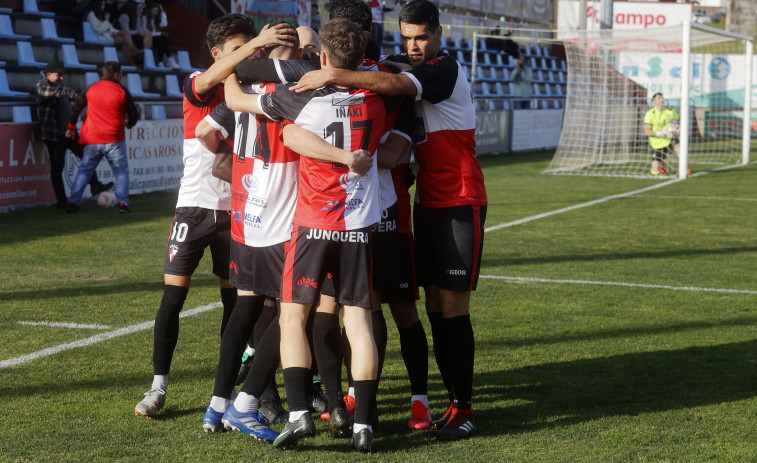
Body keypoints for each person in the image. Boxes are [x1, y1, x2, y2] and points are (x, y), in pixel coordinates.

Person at [290, 0, 488, 441]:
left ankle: (465, 407)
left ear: (438, 33)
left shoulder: (443, 69)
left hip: (460, 199)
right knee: (434, 305)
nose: (414, 46)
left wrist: (333, 73)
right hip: (428, 205)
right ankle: (446, 402)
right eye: (407, 37)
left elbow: (392, 81)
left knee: (452, 307)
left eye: (421, 37)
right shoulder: (408, 68)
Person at [224, 17, 403, 452]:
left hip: (312, 225)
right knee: (358, 321)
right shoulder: (379, 99)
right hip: (359, 226)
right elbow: (397, 92)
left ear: (321, 57)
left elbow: (234, 99)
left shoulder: (298, 98)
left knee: (292, 317)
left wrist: (232, 62)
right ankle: (363, 425)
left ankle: (301, 414)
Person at [132, 14, 296, 419]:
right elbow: (206, 90)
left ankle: (233, 391)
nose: (249, 55)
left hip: (241, 212)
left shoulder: (255, 88)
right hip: (195, 205)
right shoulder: (199, 82)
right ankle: (158, 387)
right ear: (217, 52)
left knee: (239, 306)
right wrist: (254, 43)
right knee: (173, 297)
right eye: (240, 48)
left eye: (253, 48)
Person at [64, 61, 139, 214]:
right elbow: (133, 113)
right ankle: (123, 203)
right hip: (114, 139)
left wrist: (71, 128)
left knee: (84, 170)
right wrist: (130, 123)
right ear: (117, 75)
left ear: (104, 74)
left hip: (92, 138)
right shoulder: (122, 91)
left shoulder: (91, 88)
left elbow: (76, 108)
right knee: (121, 172)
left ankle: (73, 201)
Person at [36, 62, 112, 208]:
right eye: (58, 75)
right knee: (57, 168)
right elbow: (48, 93)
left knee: (87, 157)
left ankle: (95, 185)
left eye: (62, 75)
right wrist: (66, 92)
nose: (61, 77)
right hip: (55, 136)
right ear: (48, 75)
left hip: (69, 133)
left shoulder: (60, 87)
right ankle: (62, 200)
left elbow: (70, 96)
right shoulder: (42, 86)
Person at [86, 0, 141, 66]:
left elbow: (110, 27)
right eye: (102, 4)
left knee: (126, 34)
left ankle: (131, 56)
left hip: (109, 34)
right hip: (101, 36)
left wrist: (115, 32)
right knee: (125, 39)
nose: (103, 6)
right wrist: (107, 20)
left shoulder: (100, 14)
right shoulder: (91, 15)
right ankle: (131, 57)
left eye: (104, 4)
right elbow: (99, 30)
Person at [643, 92, 680, 175]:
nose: (662, 99)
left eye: (662, 97)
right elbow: (646, 131)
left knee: (680, 149)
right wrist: (662, 133)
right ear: (654, 101)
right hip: (657, 141)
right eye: (659, 98)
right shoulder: (649, 114)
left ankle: (684, 169)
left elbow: (682, 118)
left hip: (669, 138)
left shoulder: (670, 111)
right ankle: (661, 165)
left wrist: (679, 129)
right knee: (654, 171)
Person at [139, 2, 178, 68]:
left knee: (162, 40)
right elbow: (147, 32)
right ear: (150, 10)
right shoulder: (144, 18)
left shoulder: (156, 19)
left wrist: (162, 11)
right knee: (162, 38)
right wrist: (160, 33)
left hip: (155, 39)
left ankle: (162, 62)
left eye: (156, 11)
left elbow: (164, 24)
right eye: (153, 10)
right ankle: (167, 59)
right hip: (147, 40)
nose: (154, 12)